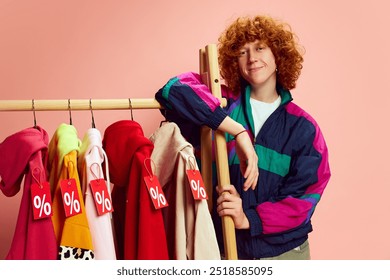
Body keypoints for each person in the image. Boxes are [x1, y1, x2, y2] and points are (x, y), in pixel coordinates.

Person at [155, 15, 331, 260]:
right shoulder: (222, 104)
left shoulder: (304, 127)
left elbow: (305, 197)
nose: (252, 58)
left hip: (286, 253)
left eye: (260, 48)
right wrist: (236, 130)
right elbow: (172, 89)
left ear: (278, 55)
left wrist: (248, 217)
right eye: (242, 52)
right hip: (226, 250)